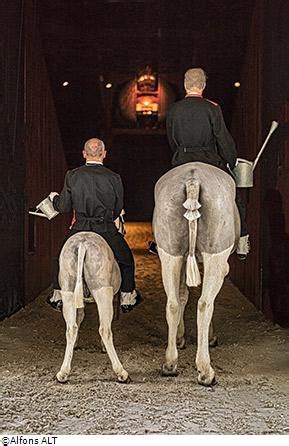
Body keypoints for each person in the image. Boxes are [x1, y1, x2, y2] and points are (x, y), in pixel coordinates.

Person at [150, 67, 249, 259]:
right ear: (203, 85)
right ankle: (243, 239)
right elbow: (222, 138)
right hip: (209, 160)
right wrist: (231, 160)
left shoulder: (174, 109)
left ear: (185, 85)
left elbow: (171, 140)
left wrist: (179, 155)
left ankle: (159, 240)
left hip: (181, 159)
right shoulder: (212, 108)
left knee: (161, 194)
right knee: (235, 194)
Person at [48, 137, 142, 312]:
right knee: (126, 260)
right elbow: (117, 209)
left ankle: (57, 294)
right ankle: (128, 296)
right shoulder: (114, 177)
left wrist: (54, 200)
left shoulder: (72, 175)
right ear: (104, 154)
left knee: (58, 257)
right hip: (105, 228)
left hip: (79, 227)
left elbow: (64, 206)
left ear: (84, 154)